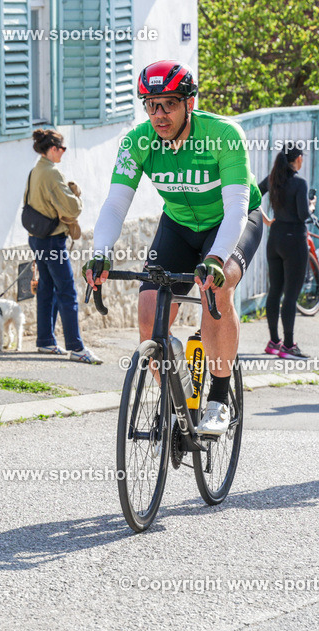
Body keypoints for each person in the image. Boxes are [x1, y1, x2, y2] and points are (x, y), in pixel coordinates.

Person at [85, 60, 264, 435]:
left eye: (168, 104)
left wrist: (216, 259)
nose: (159, 114)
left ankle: (218, 397)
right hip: (179, 225)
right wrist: (101, 251)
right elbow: (116, 204)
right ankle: (175, 400)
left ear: (190, 103)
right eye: (150, 104)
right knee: (150, 312)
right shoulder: (138, 142)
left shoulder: (223, 135)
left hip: (231, 221)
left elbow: (236, 208)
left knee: (217, 286)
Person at [25, 128, 101, 364]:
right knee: (67, 291)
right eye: (62, 148)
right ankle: (76, 348)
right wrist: (76, 195)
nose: (64, 153)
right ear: (52, 149)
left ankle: (46, 341)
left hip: (36, 237)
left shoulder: (36, 170)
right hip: (53, 241)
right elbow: (72, 208)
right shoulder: (52, 173)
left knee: (46, 289)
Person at [259, 143, 313, 359]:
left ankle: (274, 341)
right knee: (290, 295)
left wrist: (267, 221)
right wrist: (311, 206)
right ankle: (289, 345)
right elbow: (303, 215)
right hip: (294, 240)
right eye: (302, 157)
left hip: (275, 237)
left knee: (275, 291)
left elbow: (253, 196)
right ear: (298, 158)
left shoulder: (273, 179)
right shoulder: (300, 183)